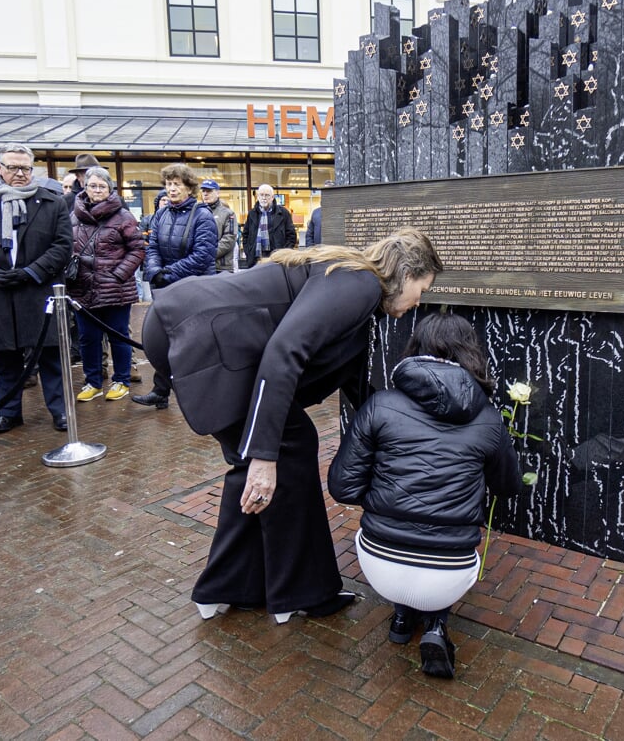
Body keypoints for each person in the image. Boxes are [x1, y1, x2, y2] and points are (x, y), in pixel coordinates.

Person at [142, 227, 443, 623]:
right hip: (198, 336)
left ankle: (233, 587)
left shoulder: (353, 281)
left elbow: (353, 380)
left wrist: (395, 430)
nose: (417, 303)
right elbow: (285, 350)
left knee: (273, 460)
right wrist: (264, 456)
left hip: (195, 330)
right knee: (285, 452)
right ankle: (299, 593)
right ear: (405, 275)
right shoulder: (361, 284)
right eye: (421, 290)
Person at [327, 313, 522, 679]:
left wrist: (392, 496)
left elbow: (343, 487)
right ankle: (435, 624)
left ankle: (401, 618)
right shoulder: (489, 419)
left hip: (380, 564)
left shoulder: (380, 405)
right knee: (439, 556)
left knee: (407, 550)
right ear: (471, 354)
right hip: (448, 572)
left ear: (416, 348)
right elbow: (508, 487)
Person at [0, 144, 74, 434]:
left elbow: (62, 246)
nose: (19, 173)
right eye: (13, 167)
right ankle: (8, 412)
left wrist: (31, 272)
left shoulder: (53, 203)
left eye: (25, 168)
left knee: (51, 357)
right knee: (6, 360)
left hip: (38, 290)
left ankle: (59, 412)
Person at [132, 164, 217, 409]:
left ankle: (204, 393)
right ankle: (161, 391)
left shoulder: (202, 216)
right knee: (164, 340)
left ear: (189, 188)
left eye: (177, 184)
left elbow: (203, 255)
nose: (171, 188)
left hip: (194, 289)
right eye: (168, 184)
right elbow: (154, 247)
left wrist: (169, 273)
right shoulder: (161, 214)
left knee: (195, 343)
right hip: (167, 287)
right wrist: (156, 272)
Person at [68, 167, 145, 403]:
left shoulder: (123, 217)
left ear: (110, 189)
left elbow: (138, 248)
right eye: (93, 185)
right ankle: (92, 381)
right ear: (85, 188)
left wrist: (118, 275)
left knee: (118, 336)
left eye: (102, 186)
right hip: (83, 289)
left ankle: (121, 380)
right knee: (87, 338)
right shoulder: (74, 216)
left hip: (115, 289)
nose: (97, 190)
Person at [241, 184, 296, 268]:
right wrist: (248, 252)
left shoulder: (283, 213)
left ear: (272, 197)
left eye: (267, 195)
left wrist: (285, 254)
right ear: (257, 197)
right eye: (261, 195)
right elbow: (245, 235)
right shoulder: (252, 213)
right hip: (256, 258)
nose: (264, 198)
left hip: (277, 259)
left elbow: (291, 236)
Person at [200, 179, 238, 273]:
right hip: (200, 267)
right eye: (203, 191)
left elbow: (229, 239)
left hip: (220, 267)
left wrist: (209, 255)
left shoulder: (228, 214)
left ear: (217, 193)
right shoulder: (197, 213)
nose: (205, 194)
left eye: (209, 191)